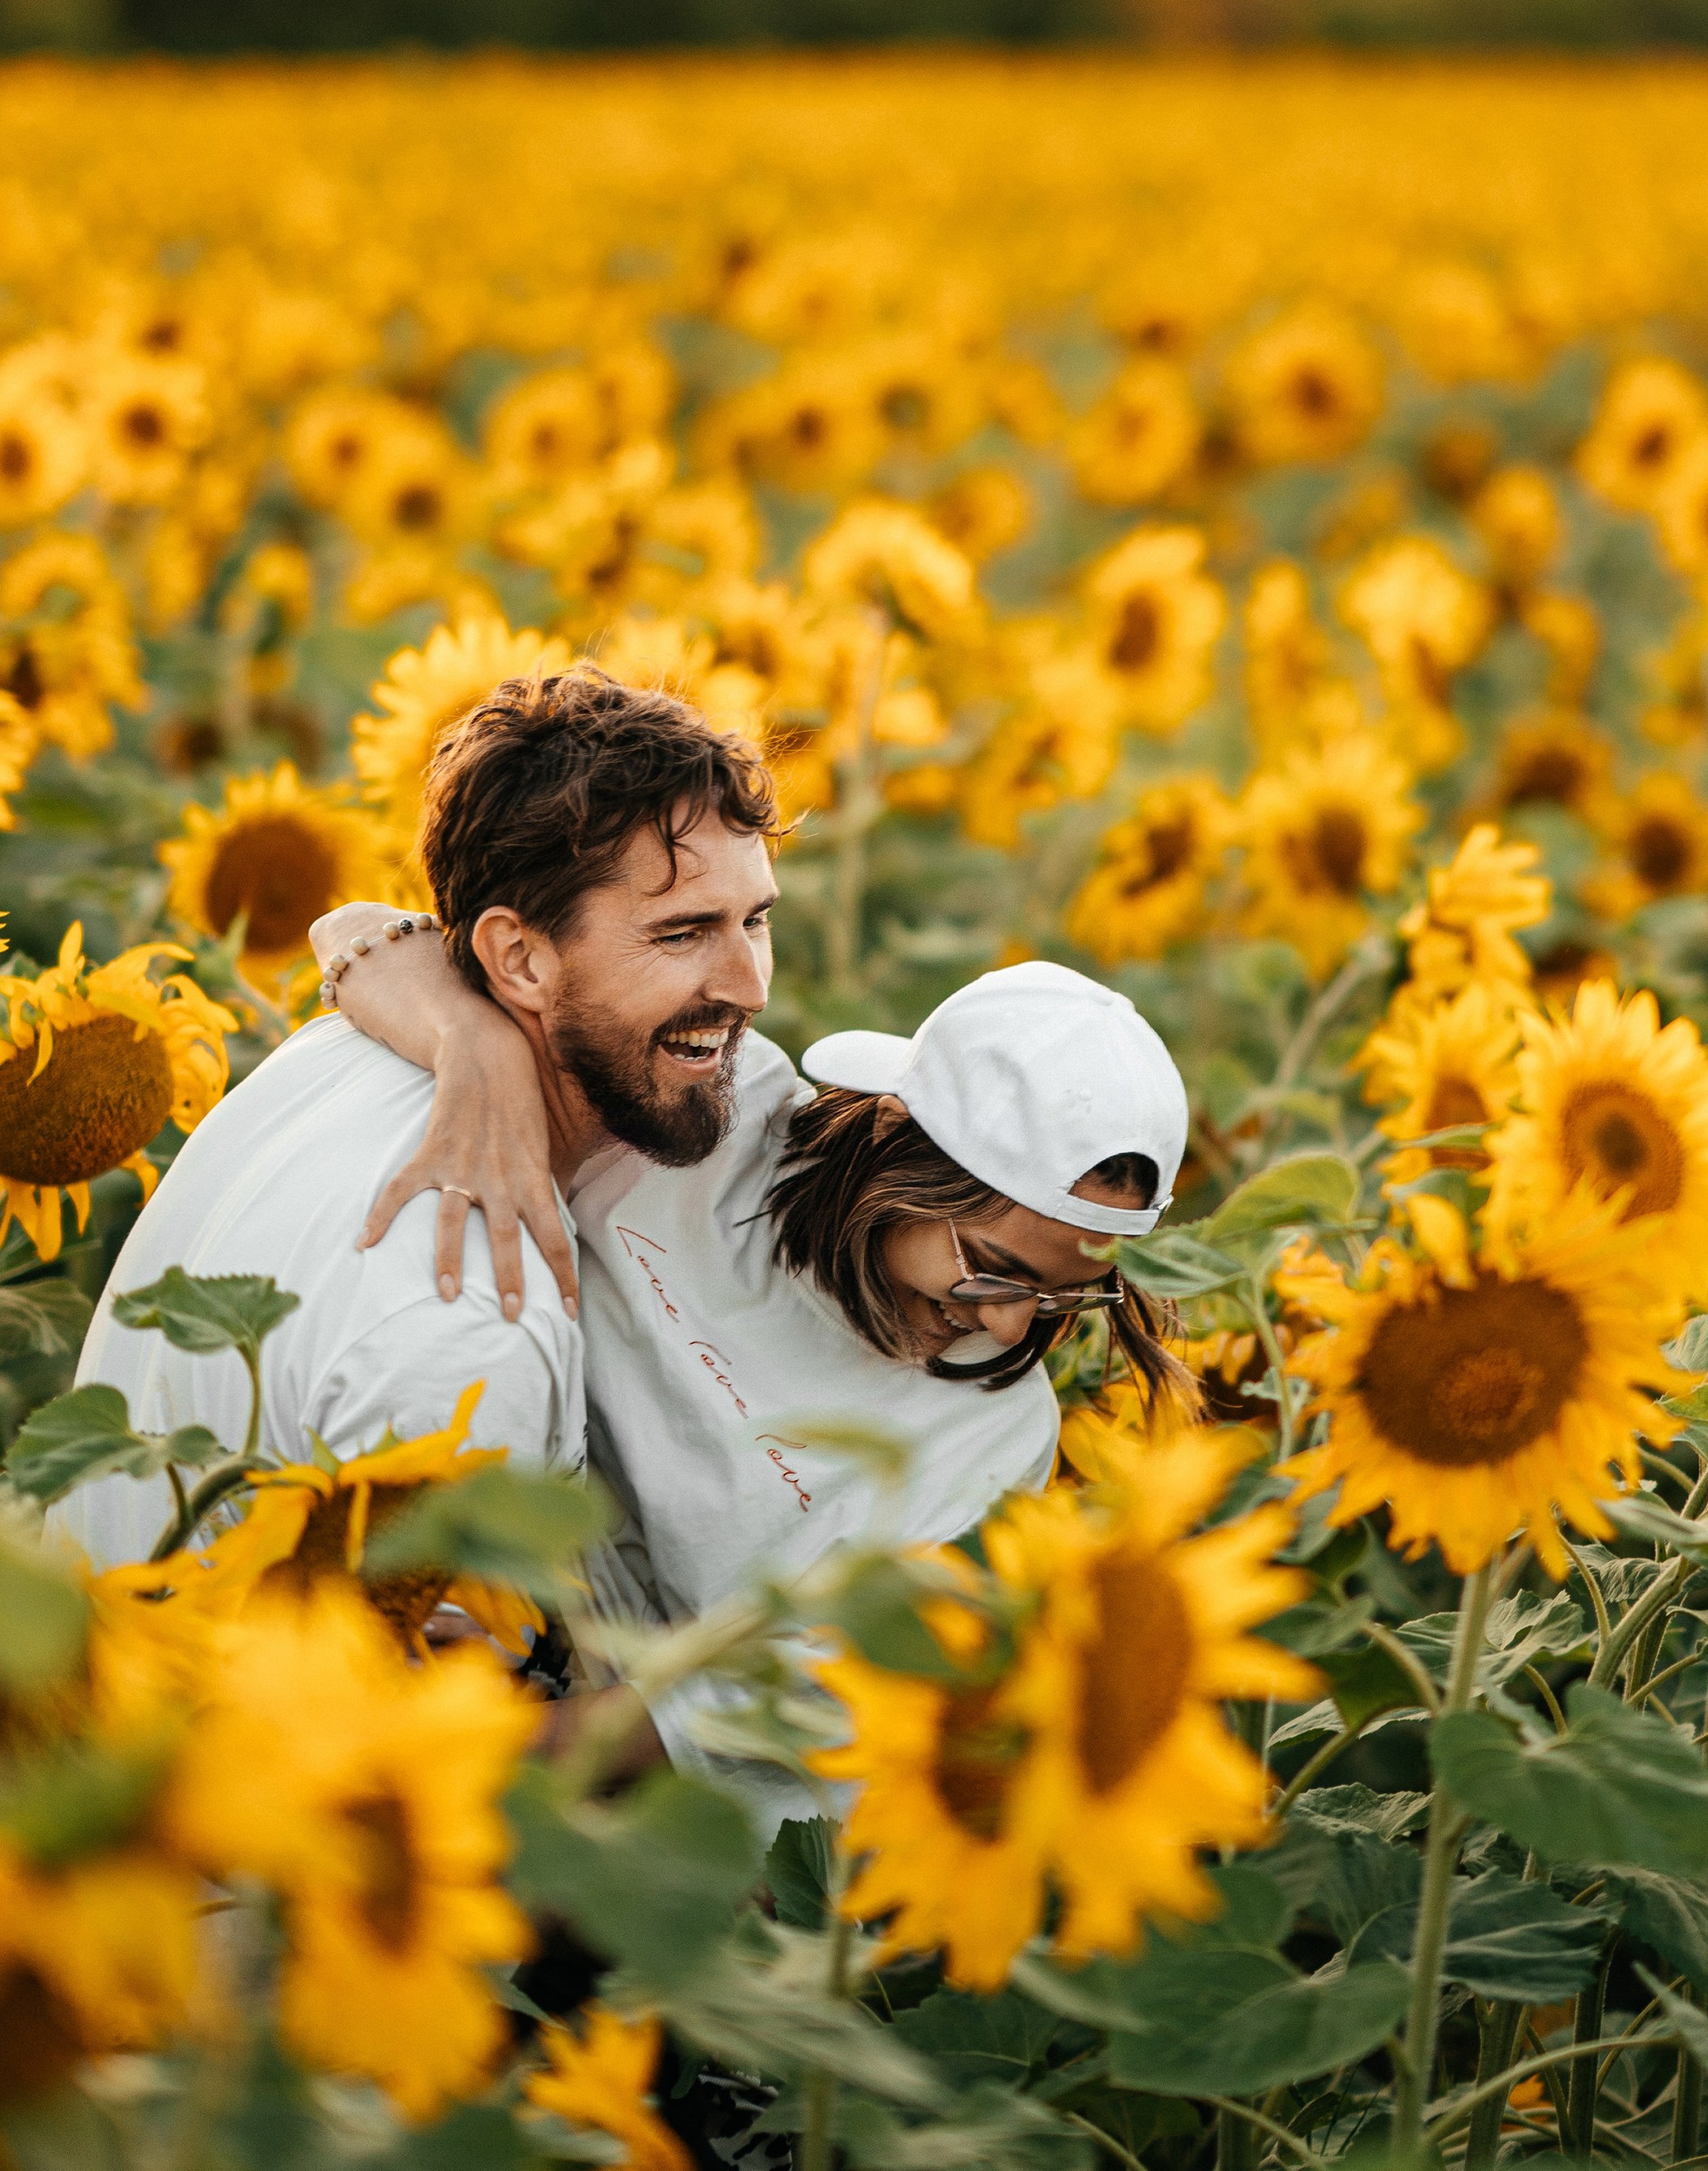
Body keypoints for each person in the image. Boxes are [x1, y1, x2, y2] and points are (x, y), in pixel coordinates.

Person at [314, 799, 1192, 1811]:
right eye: (991, 1267)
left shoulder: (992, 1438)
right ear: (895, 1144)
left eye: (1062, 1295)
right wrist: (478, 1049)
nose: (1007, 1326)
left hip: (673, 1814)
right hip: (503, 1600)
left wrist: (469, 1753)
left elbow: (763, 1700)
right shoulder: (711, 1124)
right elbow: (355, 934)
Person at [59, 671, 783, 1578]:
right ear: (517, 958)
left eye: (755, 919)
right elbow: (414, 1667)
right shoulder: (473, 1334)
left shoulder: (344, 1050)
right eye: (681, 933)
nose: (751, 986)